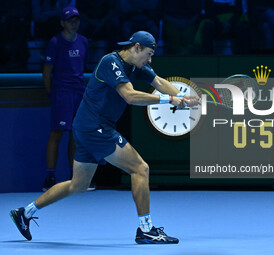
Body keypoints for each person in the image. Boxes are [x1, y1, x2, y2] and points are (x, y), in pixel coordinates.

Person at [10, 31, 199, 244]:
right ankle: (146, 230)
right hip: (96, 128)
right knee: (140, 168)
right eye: (148, 53)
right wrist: (170, 100)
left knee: (78, 185)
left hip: (87, 127)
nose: (150, 59)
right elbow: (129, 96)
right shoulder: (111, 62)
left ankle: (24, 212)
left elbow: (158, 81)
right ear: (136, 47)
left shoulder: (137, 65)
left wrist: (183, 98)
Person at [42, 7, 90, 191]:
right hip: (61, 94)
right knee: (57, 133)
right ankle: (50, 178)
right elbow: (47, 73)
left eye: (76, 20)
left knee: (76, 135)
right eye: (70, 20)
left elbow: (81, 68)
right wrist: (52, 95)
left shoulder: (84, 42)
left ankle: (75, 177)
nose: (74, 23)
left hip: (79, 93)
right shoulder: (55, 42)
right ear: (62, 23)